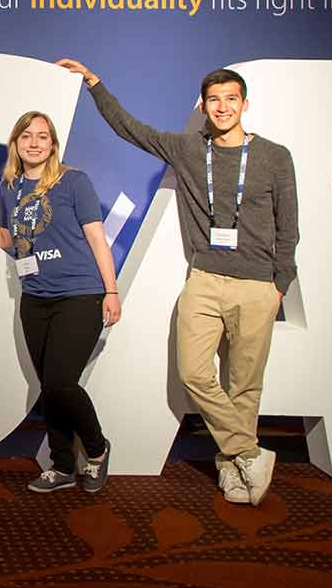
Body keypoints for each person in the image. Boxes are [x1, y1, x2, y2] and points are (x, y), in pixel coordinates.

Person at [62, 58, 297, 507]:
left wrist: (279, 282)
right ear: (204, 106)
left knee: (245, 385)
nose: (223, 107)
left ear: (244, 104)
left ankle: (232, 469)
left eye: (231, 99)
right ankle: (248, 453)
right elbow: (130, 128)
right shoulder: (189, 149)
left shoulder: (273, 156)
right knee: (195, 374)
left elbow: (289, 224)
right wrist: (94, 82)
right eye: (214, 100)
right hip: (205, 280)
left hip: (257, 285)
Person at [0, 110, 120, 493]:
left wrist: (111, 291)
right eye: (26, 136)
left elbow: (98, 238)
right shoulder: (11, 187)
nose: (34, 142)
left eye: (42, 136)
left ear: (52, 144)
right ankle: (62, 465)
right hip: (34, 296)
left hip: (79, 294)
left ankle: (98, 450)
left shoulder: (73, 182)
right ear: (16, 143)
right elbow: (9, 239)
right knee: (47, 386)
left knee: (60, 381)